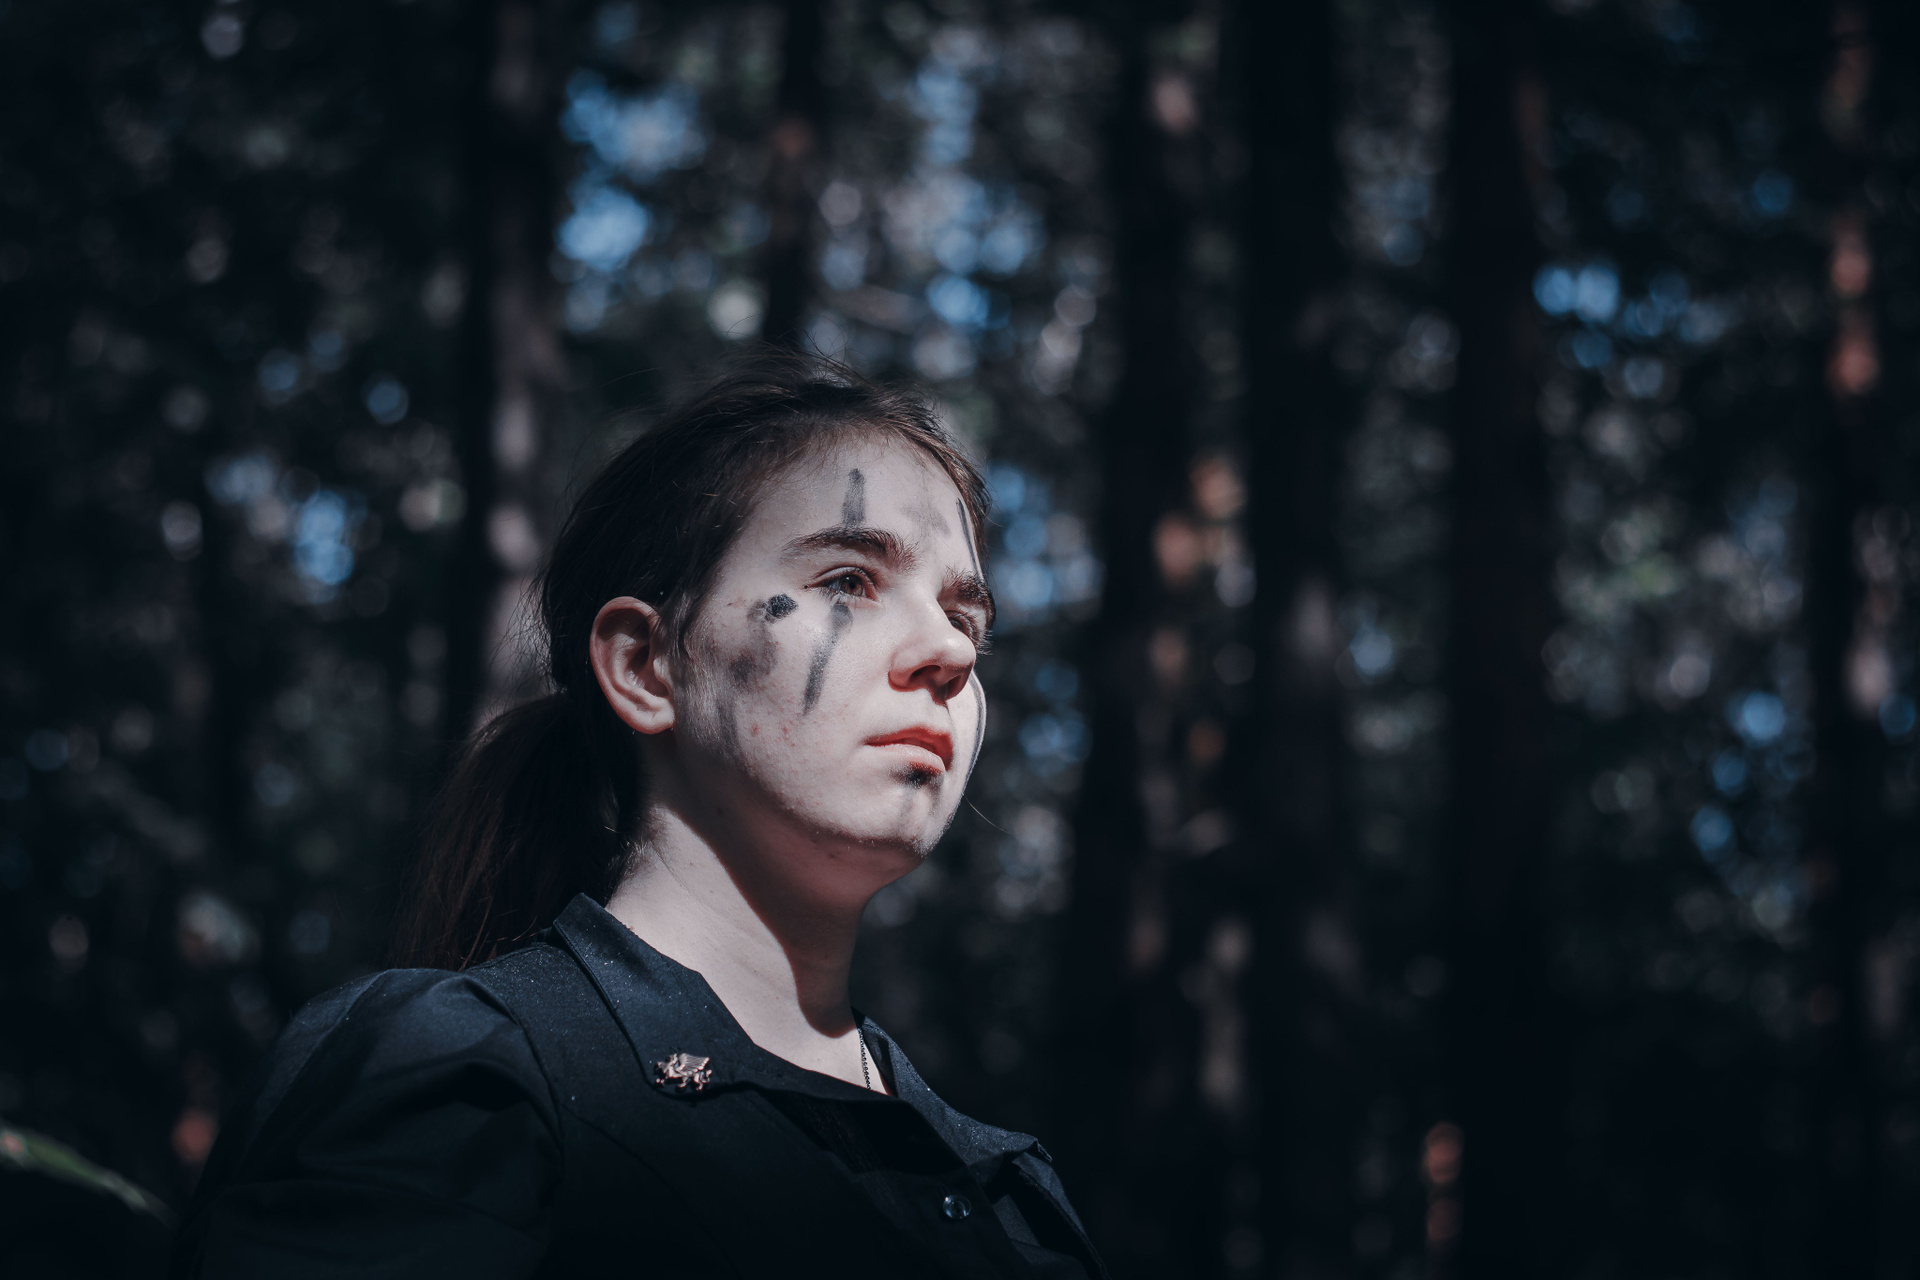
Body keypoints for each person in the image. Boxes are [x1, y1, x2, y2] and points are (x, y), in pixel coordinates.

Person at [169, 355, 1105, 1279]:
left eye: (967, 617)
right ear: (645, 667)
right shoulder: (460, 1079)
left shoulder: (1016, 1203)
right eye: (848, 581)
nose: (950, 652)